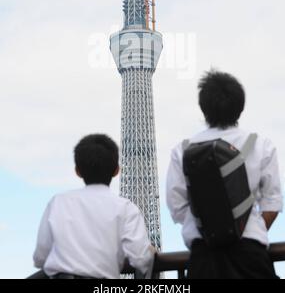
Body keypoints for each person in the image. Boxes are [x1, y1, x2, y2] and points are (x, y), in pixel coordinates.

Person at [166, 70, 283, 279]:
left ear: (203, 108)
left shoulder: (182, 150)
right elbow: (272, 203)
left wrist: (209, 225)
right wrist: (243, 227)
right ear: (240, 107)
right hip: (250, 256)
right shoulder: (261, 146)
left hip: (203, 257)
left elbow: (177, 208)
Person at [33, 134, 154, 279]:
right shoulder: (126, 208)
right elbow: (141, 259)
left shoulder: (58, 202)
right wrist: (149, 251)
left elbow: (41, 257)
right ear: (117, 170)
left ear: (77, 171)